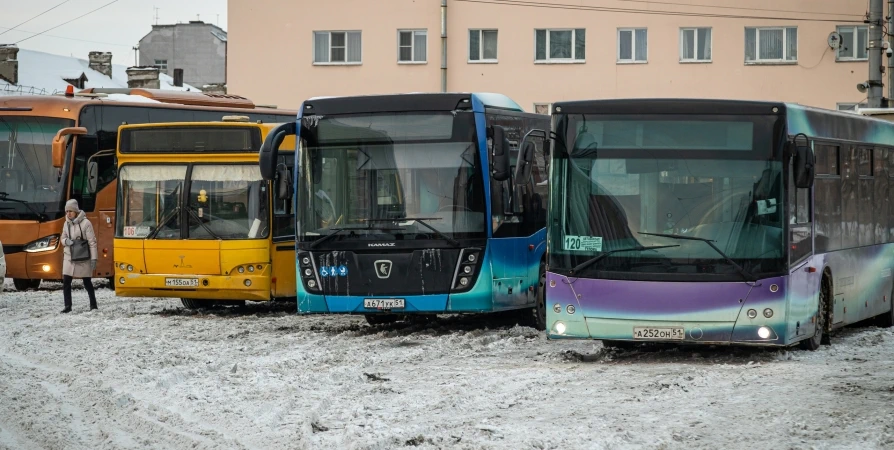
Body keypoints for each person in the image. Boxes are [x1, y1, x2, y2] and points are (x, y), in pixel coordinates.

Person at [60, 199, 98, 313]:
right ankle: (68, 306)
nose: (68, 213)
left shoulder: (86, 223)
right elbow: (62, 238)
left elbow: (92, 242)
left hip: (83, 256)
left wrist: (94, 258)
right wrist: (66, 241)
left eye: (70, 211)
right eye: (67, 211)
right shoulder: (66, 223)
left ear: (76, 211)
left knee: (87, 282)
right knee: (66, 281)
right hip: (69, 256)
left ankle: (93, 305)